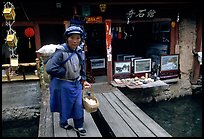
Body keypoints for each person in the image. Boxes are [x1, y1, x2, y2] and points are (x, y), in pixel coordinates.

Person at [45, 25, 91, 136]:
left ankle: (79, 125)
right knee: (64, 104)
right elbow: (50, 68)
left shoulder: (80, 51)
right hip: (64, 83)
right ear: (67, 38)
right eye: (72, 38)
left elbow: (82, 66)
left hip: (77, 83)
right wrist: (63, 72)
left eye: (78, 38)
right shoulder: (61, 51)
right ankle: (63, 122)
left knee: (78, 105)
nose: (75, 41)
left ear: (81, 39)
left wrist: (84, 80)